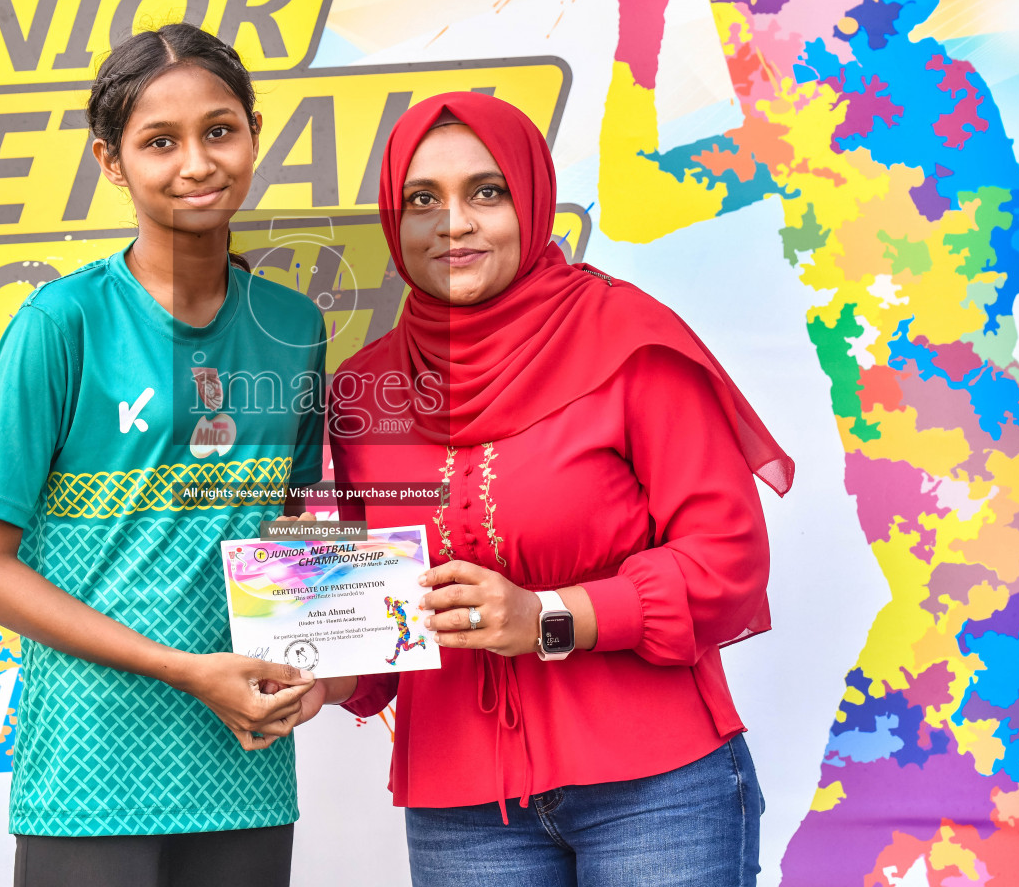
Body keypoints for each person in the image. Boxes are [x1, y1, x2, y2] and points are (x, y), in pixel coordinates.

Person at [316, 91, 793, 887]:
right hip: (461, 807)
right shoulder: (365, 393)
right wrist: (317, 677)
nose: (454, 223)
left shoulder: (630, 343)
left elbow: (726, 564)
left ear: (533, 200)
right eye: (422, 199)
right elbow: (383, 624)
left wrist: (546, 616)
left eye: (486, 192)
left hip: (657, 787)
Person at [0, 23, 329, 887]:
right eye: (160, 142)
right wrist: (187, 671)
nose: (196, 162)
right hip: (89, 775)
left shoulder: (295, 328)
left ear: (254, 134)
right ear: (112, 163)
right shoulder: (60, 325)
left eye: (219, 131)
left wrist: (322, 666)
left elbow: (298, 534)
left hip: (246, 765)